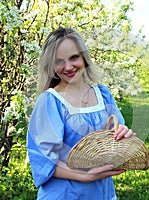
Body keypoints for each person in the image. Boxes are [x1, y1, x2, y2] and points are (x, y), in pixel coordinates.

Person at [27, 27, 136, 200]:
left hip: (103, 194)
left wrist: (124, 134)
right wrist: (85, 176)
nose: (68, 67)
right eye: (59, 61)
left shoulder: (103, 94)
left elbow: (115, 140)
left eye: (74, 57)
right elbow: (42, 158)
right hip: (64, 195)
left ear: (84, 56)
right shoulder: (50, 102)